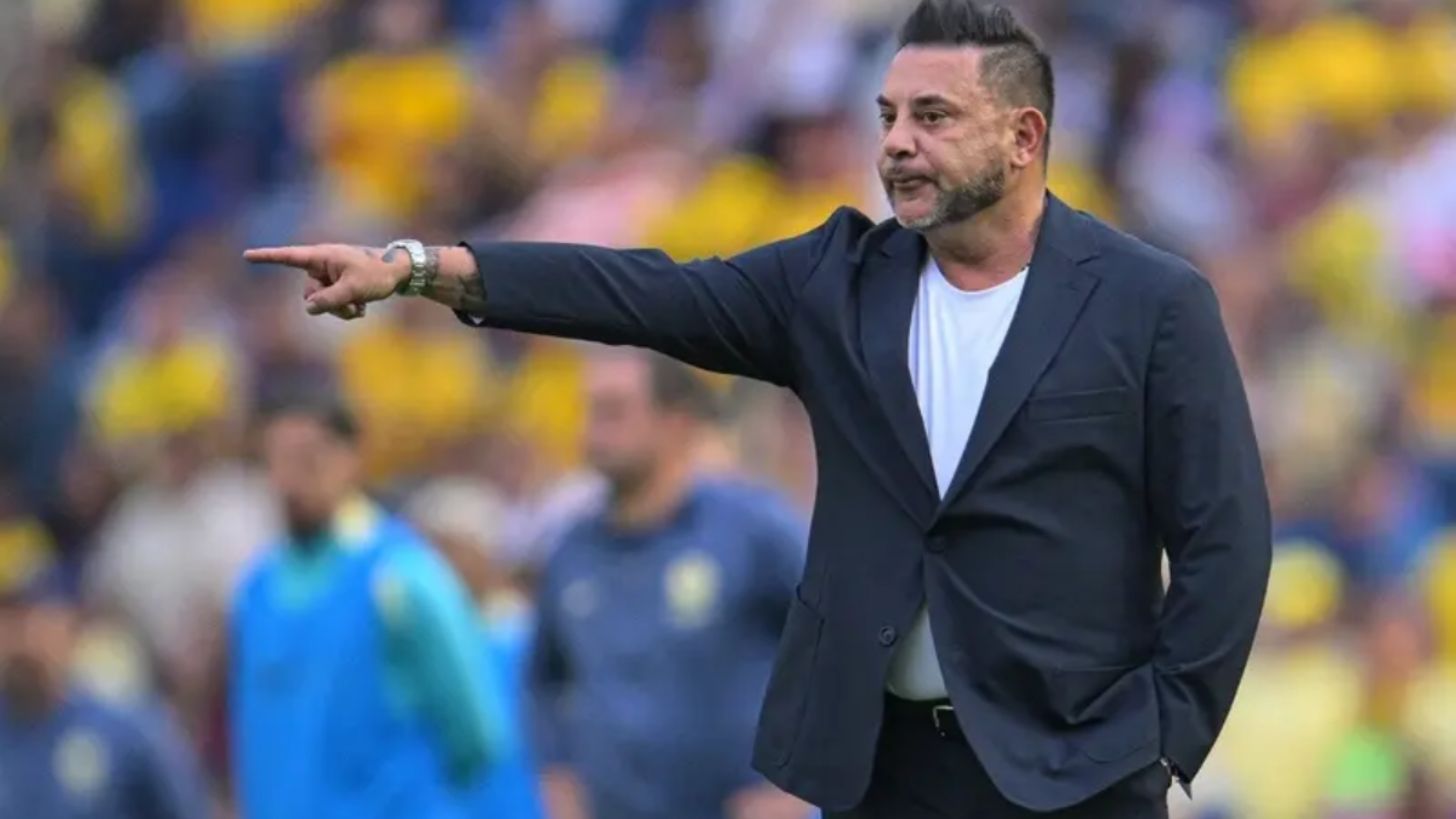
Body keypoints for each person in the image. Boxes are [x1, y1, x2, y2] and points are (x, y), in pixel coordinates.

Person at [245, 1, 1273, 816]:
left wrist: (1159, 736)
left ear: (1023, 136)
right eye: (887, 117)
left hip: (1074, 777)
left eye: (932, 118)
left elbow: (1224, 538)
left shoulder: (1150, 301)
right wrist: (423, 268)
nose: (897, 144)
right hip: (883, 772)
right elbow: (644, 293)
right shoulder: (838, 282)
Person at [520, 348, 811, 819]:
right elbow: (545, 681)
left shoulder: (754, 531)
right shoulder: (572, 551)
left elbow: (837, 643)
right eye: (591, 411)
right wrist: (558, 779)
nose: (593, 431)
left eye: (614, 412)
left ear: (676, 422)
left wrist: (791, 787)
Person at [230, 395, 511, 819]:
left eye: (308, 459)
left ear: (350, 458)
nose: (290, 481)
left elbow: (478, 734)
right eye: (277, 461)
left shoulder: (401, 575)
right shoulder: (257, 590)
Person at [0, 564, 209, 819]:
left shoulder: (127, 729)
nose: (25, 641)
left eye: (41, 621)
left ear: (72, 628)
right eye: (12, 621)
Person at [406, 477, 546, 819]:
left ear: (487, 555)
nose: (435, 567)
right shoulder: (409, 645)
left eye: (449, 550)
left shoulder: (527, 639)